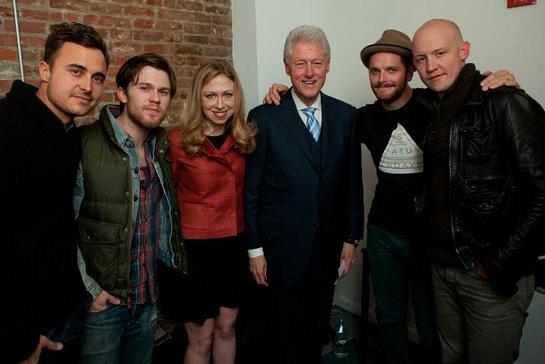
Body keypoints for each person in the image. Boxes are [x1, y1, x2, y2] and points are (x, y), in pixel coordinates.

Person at [264, 29, 519, 364]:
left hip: (428, 236)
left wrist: (495, 82)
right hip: (383, 232)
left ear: (411, 72)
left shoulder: (436, 108)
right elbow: (320, 123)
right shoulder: (363, 118)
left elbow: (468, 97)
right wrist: (285, 93)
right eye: (375, 71)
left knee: (432, 326)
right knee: (390, 319)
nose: (382, 79)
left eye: (392, 70)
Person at [411, 19, 545, 363]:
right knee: (451, 357)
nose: (431, 66)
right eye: (421, 58)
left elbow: (542, 193)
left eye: (440, 53)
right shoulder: (431, 108)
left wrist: (495, 264)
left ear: (464, 51)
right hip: (442, 268)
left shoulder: (505, 101)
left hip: (489, 274)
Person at [245, 25, 364, 364]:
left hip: (326, 249)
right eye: (300, 64)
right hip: (280, 249)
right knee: (282, 336)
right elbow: (251, 189)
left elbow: (352, 183)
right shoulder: (264, 117)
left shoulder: (347, 116)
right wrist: (255, 250)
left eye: (316, 63)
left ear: (328, 65)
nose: (309, 73)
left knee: (315, 332)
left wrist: (350, 238)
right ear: (286, 67)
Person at [0, 22, 109, 364]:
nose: (87, 86)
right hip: (22, 333)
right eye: (76, 71)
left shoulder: (67, 135)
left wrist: (82, 292)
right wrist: (18, 340)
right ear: (44, 70)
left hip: (62, 316)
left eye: (97, 77)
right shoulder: (8, 128)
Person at [74, 53, 187, 364]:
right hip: (103, 305)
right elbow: (62, 226)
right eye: (145, 88)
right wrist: (90, 291)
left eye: (163, 92)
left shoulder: (161, 147)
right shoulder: (85, 143)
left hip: (148, 300)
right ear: (122, 93)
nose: (155, 99)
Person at [163, 60, 255, 364]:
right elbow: (167, 202)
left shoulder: (245, 139)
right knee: (200, 339)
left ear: (237, 97)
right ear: (198, 98)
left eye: (227, 95)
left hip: (234, 247)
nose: (220, 105)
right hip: (195, 252)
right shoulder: (177, 141)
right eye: (211, 95)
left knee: (227, 329)